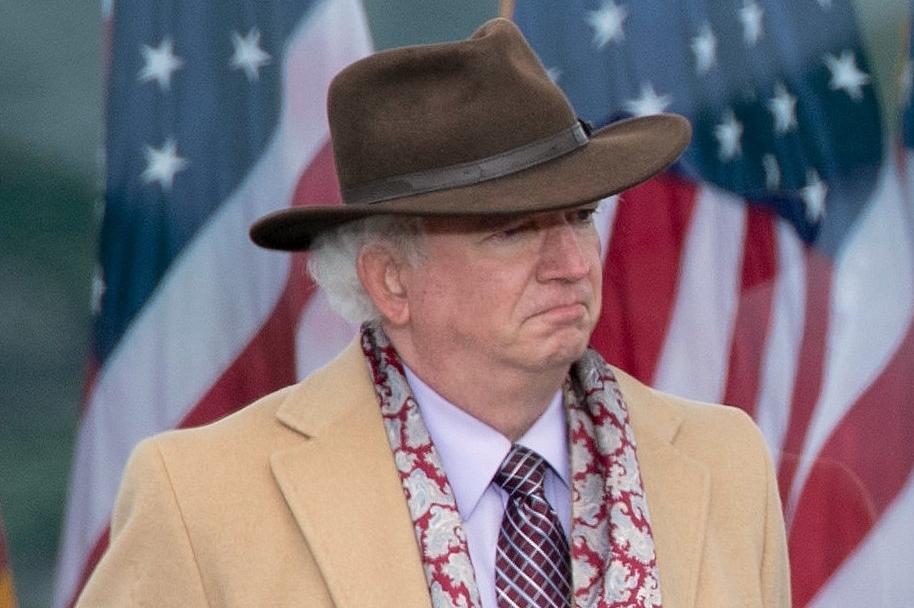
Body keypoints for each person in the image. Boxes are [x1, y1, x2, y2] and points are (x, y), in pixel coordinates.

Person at [77, 18, 789, 608]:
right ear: (390, 281)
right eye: (511, 232)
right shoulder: (201, 500)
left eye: (579, 216)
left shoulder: (724, 463)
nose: (573, 262)